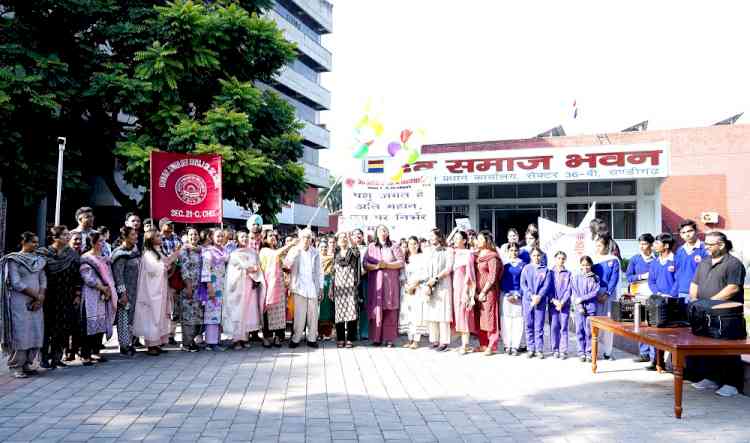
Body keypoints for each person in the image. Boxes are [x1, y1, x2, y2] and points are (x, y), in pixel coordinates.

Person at [689, 231, 747, 397]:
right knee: (708, 348)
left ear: (721, 245)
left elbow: (733, 288)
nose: (706, 247)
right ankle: (711, 378)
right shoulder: (705, 262)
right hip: (705, 314)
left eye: (709, 244)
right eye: (705, 244)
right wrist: (695, 300)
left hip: (726, 317)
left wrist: (710, 302)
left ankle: (731, 384)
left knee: (728, 350)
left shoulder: (733, 264)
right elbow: (695, 282)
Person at [0, 232, 47, 378]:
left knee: (35, 330)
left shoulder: (39, 260)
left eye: (37, 242)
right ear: (23, 242)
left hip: (37, 302)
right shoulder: (13, 259)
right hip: (19, 301)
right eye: (33, 242)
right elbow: (15, 282)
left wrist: (40, 298)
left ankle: (27, 363)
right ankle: (17, 366)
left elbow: (43, 279)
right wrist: (36, 296)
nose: (36, 245)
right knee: (21, 332)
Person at [37, 226, 81, 369]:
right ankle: (43, 358)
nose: (68, 237)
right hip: (48, 296)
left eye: (68, 234)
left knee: (62, 327)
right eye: (64, 235)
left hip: (66, 295)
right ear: (55, 238)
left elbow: (77, 276)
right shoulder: (43, 254)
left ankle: (57, 357)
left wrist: (77, 294)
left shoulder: (72, 255)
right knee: (46, 328)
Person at [133, 230, 180, 356]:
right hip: (151, 290)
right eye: (157, 236)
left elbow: (165, 263)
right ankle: (151, 344)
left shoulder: (157, 251)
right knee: (152, 315)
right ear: (150, 239)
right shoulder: (148, 254)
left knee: (160, 314)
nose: (160, 237)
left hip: (160, 288)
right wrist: (169, 261)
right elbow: (157, 268)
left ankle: (157, 343)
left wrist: (175, 254)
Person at [79, 230, 117, 364]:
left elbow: (110, 275)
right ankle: (85, 354)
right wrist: (102, 288)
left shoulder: (104, 257)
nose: (103, 243)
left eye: (103, 241)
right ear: (92, 242)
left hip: (104, 296)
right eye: (100, 241)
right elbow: (87, 278)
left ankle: (96, 351)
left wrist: (109, 290)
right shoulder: (86, 258)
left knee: (101, 323)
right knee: (89, 324)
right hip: (91, 295)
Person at [363, 225, 405, 348]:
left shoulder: (394, 246)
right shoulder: (371, 247)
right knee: (376, 310)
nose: (383, 233)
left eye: (385, 230)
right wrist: (376, 267)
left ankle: (389, 339)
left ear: (388, 233)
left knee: (390, 310)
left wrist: (386, 265)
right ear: (377, 232)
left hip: (390, 283)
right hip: (376, 284)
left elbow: (401, 262)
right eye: (381, 230)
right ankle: (376, 338)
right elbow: (365, 264)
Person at [224, 230, 265, 350]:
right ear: (237, 239)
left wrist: (254, 271)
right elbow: (232, 271)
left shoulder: (253, 252)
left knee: (248, 312)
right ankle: (237, 339)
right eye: (242, 237)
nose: (245, 239)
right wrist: (247, 270)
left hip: (250, 286)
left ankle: (245, 337)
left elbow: (257, 267)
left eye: (246, 237)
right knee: (238, 312)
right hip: (238, 287)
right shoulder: (234, 254)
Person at [643, 232, 679, 370]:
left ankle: (675, 363)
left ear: (666, 245)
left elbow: (678, 280)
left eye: (657, 243)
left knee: (673, 333)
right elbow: (651, 281)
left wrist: (670, 295)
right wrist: (657, 293)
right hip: (657, 301)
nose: (654, 246)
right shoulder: (654, 262)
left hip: (672, 301)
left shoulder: (675, 261)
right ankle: (657, 361)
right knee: (656, 331)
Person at [285, 228, 323, 348]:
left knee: (313, 315)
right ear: (300, 238)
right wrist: (293, 255)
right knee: (299, 314)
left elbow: (320, 271)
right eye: (305, 237)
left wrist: (321, 288)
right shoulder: (294, 250)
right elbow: (286, 265)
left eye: (309, 237)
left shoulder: (315, 252)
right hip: (299, 286)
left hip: (312, 286)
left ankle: (312, 338)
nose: (307, 240)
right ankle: (296, 338)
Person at [259, 230, 296, 348]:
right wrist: (290, 244)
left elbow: (284, 265)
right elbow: (274, 255)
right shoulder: (264, 251)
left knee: (280, 311)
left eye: (274, 236)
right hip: (269, 284)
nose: (273, 237)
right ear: (264, 239)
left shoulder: (276, 252)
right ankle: (266, 337)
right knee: (268, 310)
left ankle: (278, 337)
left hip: (279, 286)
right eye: (270, 236)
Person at [111, 227, 141, 356]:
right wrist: (122, 294)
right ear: (125, 237)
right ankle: (124, 345)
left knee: (132, 318)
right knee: (124, 317)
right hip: (125, 292)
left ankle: (131, 343)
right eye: (133, 234)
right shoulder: (120, 253)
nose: (136, 237)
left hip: (135, 290)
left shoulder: (134, 251)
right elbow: (118, 276)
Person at [625, 233, 655, 363]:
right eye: (640, 244)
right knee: (641, 323)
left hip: (653, 295)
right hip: (638, 294)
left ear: (651, 245)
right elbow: (629, 277)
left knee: (653, 324)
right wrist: (641, 276)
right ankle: (644, 353)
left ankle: (655, 355)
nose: (642, 247)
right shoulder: (635, 259)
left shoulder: (656, 259)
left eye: (644, 244)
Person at [201, 228, 230, 351]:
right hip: (212, 286)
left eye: (222, 236)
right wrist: (209, 287)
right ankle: (211, 342)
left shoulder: (224, 251)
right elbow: (206, 270)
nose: (220, 238)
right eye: (218, 236)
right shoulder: (209, 252)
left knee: (218, 314)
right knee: (212, 314)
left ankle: (216, 340)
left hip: (222, 287)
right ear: (212, 237)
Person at [592, 235, 620, 360]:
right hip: (594, 294)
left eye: (600, 245)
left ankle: (607, 352)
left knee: (609, 323)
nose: (598, 248)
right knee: (595, 323)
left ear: (606, 245)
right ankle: (593, 351)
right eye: (596, 245)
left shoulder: (613, 260)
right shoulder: (592, 260)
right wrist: (594, 292)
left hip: (609, 294)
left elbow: (614, 279)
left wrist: (607, 293)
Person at [520, 247, 551, 358]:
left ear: (541, 256)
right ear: (530, 256)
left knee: (539, 325)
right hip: (528, 301)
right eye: (534, 255)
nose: (536, 257)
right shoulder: (526, 268)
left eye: (538, 255)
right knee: (528, 324)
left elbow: (546, 286)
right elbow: (523, 284)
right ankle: (530, 348)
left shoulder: (545, 270)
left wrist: (539, 296)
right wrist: (530, 295)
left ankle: (539, 349)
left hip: (540, 302)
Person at [474, 230, 502, 356]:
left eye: (480, 239)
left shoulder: (492, 256)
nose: (478, 241)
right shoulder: (477, 254)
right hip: (478, 291)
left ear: (487, 241)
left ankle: (492, 345)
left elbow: (493, 276)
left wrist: (484, 291)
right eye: (477, 239)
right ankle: (483, 344)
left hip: (489, 291)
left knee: (490, 318)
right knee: (480, 318)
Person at [331, 232, 360, 348]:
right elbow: (333, 271)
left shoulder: (352, 251)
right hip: (339, 286)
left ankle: (351, 339)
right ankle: (340, 338)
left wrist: (350, 238)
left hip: (351, 285)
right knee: (339, 313)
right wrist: (331, 288)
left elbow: (357, 253)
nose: (343, 239)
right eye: (341, 237)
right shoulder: (336, 253)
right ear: (337, 241)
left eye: (345, 237)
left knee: (351, 311)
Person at [399, 236, 427, 349]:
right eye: (410, 244)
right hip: (406, 289)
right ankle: (409, 339)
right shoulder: (406, 258)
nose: (413, 246)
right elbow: (402, 275)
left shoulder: (422, 257)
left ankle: (416, 340)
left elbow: (425, 274)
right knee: (408, 314)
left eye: (415, 243)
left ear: (418, 244)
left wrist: (415, 285)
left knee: (417, 314)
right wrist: (406, 285)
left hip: (418, 288)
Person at [178, 227, 204, 352]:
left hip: (199, 288)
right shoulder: (184, 250)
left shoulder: (200, 250)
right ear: (187, 237)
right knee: (188, 315)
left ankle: (192, 340)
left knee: (196, 315)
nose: (194, 236)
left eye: (195, 234)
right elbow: (184, 269)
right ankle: (186, 343)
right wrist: (188, 286)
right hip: (188, 287)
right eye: (191, 234)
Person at [452, 231, 477, 354]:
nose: (455, 240)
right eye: (454, 238)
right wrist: (454, 230)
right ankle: (463, 343)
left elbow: (469, 274)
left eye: (458, 238)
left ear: (465, 241)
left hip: (463, 288)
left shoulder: (468, 254)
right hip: (455, 289)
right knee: (458, 315)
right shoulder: (454, 253)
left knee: (464, 316)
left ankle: (465, 344)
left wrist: (467, 292)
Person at [572, 256, 600, 362]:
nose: (585, 267)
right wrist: (579, 306)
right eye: (583, 265)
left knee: (589, 331)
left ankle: (589, 352)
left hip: (591, 308)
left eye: (587, 265)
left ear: (591, 265)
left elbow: (595, 292)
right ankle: (581, 352)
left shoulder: (595, 278)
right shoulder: (576, 277)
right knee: (579, 330)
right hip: (579, 309)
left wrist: (582, 299)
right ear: (580, 265)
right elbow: (575, 292)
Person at [159, 218, 182, 345]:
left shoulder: (176, 238)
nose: (171, 226)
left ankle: (172, 334)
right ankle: (163, 334)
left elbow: (180, 254)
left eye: (172, 224)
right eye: (168, 224)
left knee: (175, 306)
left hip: (176, 275)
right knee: (164, 306)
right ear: (162, 226)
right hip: (164, 274)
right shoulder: (158, 239)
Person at [674, 220, 709, 300]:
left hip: (700, 292)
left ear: (696, 231)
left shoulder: (705, 248)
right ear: (680, 235)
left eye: (690, 231)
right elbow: (678, 272)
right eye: (683, 232)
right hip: (682, 292)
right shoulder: (680, 250)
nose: (687, 234)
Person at [500, 243, 525, 356]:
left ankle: (515, 346)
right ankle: (507, 345)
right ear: (508, 251)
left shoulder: (523, 265)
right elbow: (502, 280)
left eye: (516, 250)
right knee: (506, 320)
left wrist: (518, 295)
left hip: (519, 297)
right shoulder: (504, 264)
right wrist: (508, 295)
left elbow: (524, 282)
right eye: (511, 250)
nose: (513, 252)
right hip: (506, 296)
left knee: (518, 321)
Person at [549, 251, 572, 359]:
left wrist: (562, 302)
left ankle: (563, 350)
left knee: (563, 327)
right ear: (555, 259)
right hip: (553, 304)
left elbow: (569, 289)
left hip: (564, 305)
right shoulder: (550, 273)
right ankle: (555, 349)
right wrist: (554, 301)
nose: (561, 260)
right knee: (554, 327)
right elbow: (548, 288)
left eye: (563, 258)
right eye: (559, 258)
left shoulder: (568, 273)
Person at [349, 228, 369, 341]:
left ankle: (364, 332)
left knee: (364, 305)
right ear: (351, 237)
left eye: (360, 234)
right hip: (351, 280)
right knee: (353, 306)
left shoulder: (367, 248)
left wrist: (364, 271)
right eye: (355, 234)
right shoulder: (348, 249)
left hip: (365, 278)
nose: (357, 236)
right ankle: (353, 332)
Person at [318, 236, 336, 341]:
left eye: (325, 247)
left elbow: (333, 272)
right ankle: (319, 332)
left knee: (328, 309)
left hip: (328, 282)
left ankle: (328, 333)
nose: (323, 249)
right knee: (318, 309)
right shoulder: (316, 258)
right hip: (318, 284)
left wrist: (331, 287)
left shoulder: (331, 258)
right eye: (321, 247)